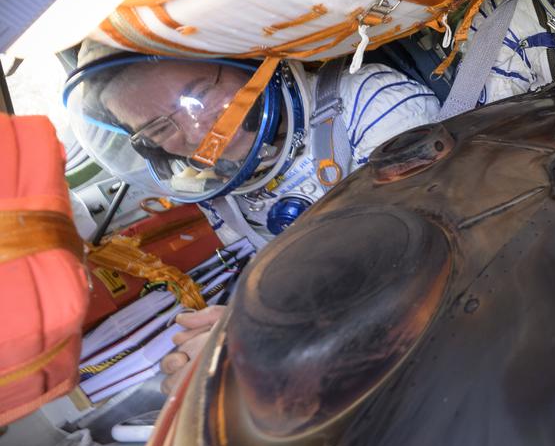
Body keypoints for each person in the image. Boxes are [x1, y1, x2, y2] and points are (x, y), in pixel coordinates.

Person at [64, 42, 440, 391]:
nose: (196, 130)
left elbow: (416, 255)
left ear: (246, 63)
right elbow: (297, 275)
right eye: (159, 128)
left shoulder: (369, 101)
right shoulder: (220, 196)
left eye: (199, 95)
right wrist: (237, 325)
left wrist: (261, 334)